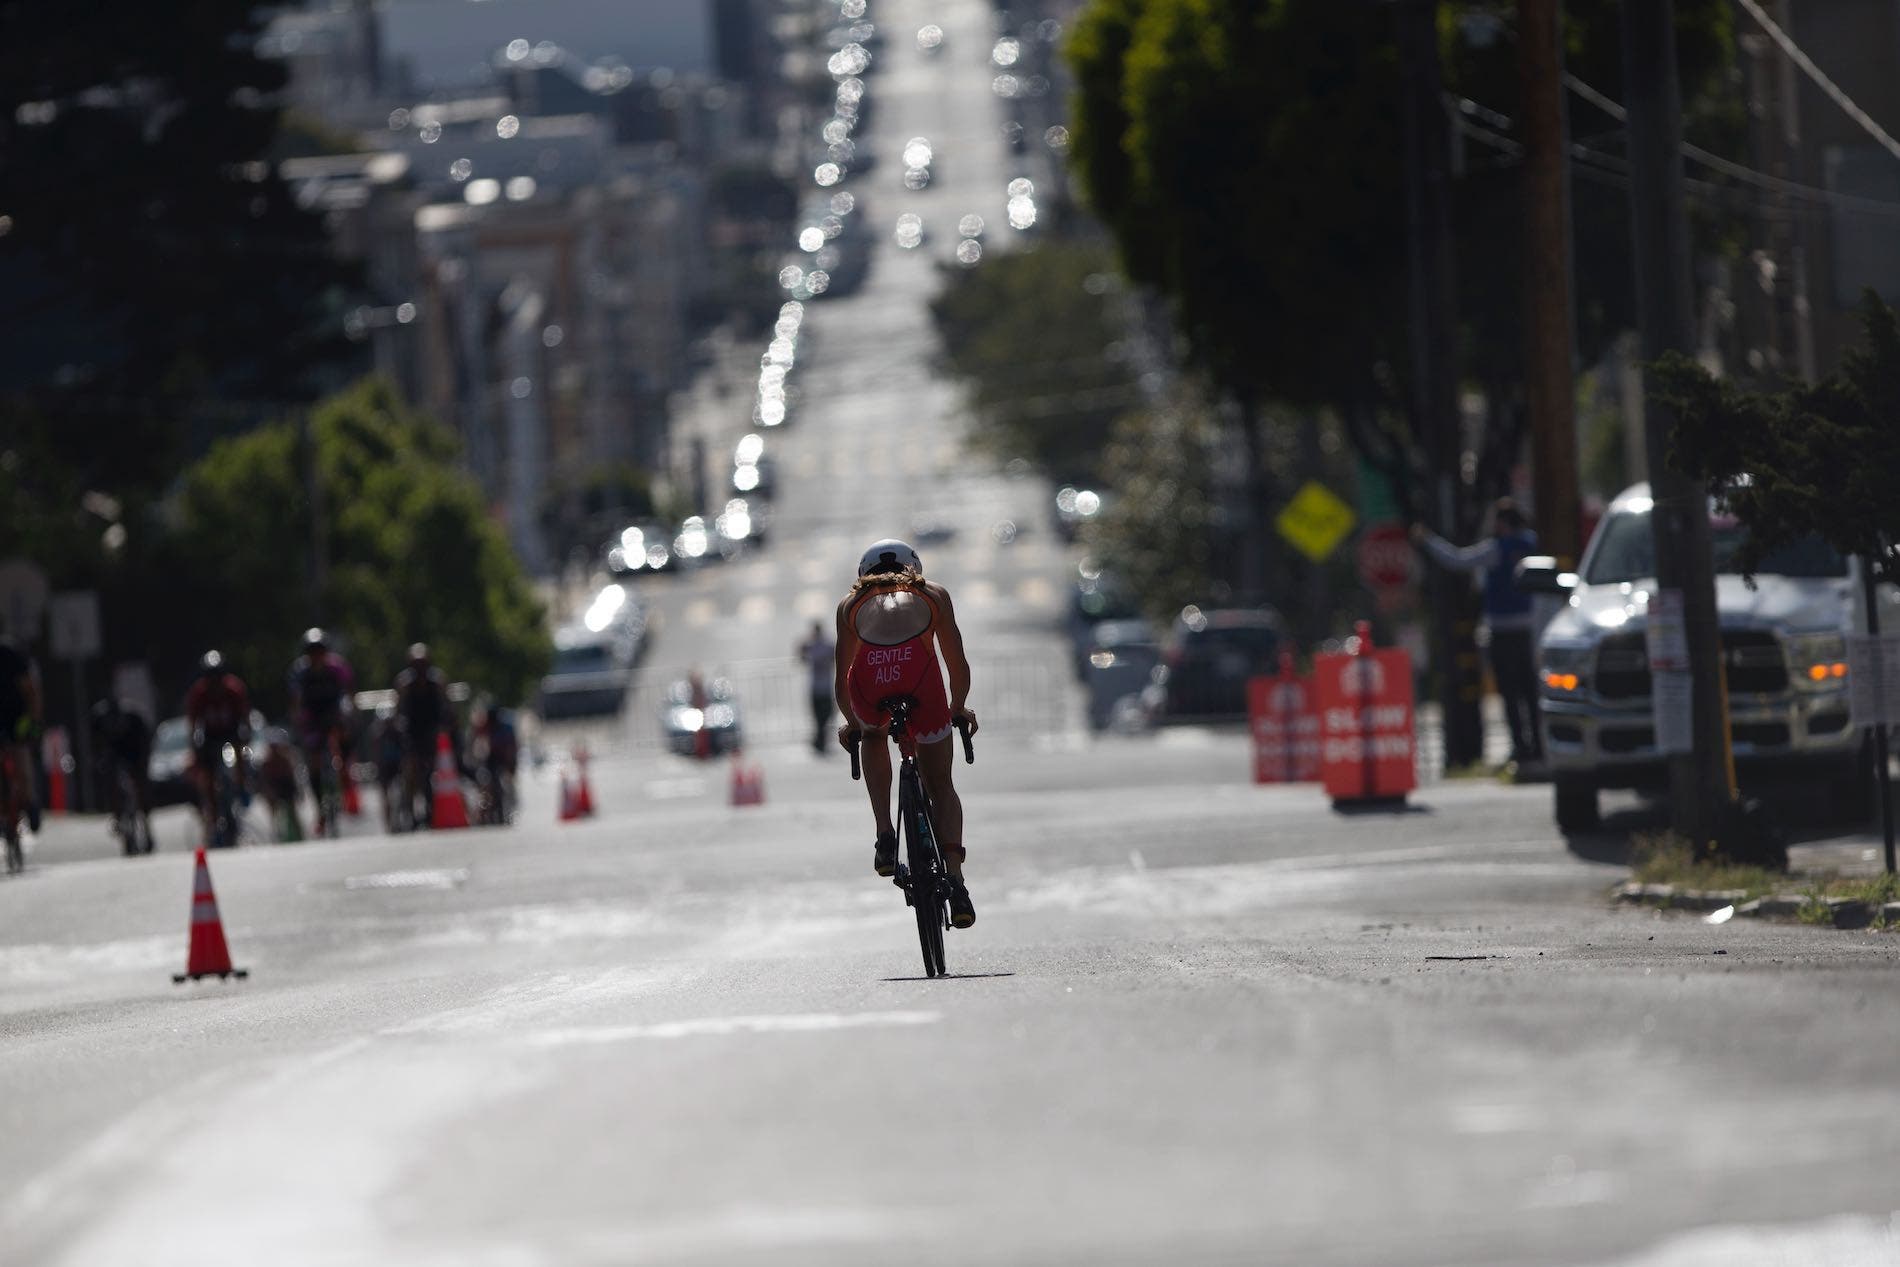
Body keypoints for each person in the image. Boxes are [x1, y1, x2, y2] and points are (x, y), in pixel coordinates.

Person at [834, 539, 979, 928]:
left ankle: (885, 832)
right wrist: (957, 707)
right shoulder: (933, 595)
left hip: (870, 686)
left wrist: (853, 723)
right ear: (914, 568)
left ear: (863, 575)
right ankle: (956, 879)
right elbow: (957, 664)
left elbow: (840, 681)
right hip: (921, 683)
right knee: (941, 786)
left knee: (874, 734)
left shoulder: (849, 606)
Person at [1412, 498, 1544, 766]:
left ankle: (1522, 747)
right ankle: (1539, 745)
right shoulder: (1532, 543)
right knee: (1530, 691)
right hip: (1530, 628)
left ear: (1503, 523)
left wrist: (1428, 540)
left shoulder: (1498, 548)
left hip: (1502, 629)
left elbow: (1458, 560)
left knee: (1509, 692)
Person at [288, 628, 355, 825]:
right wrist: (298, 721)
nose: (316, 657)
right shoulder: (299, 672)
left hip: (333, 713)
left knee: (343, 730)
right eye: (312, 653)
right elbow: (296, 701)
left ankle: (344, 771)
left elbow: (348, 693)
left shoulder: (337, 668)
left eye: (320, 652)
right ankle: (321, 809)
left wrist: (349, 712)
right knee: (314, 762)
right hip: (312, 717)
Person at [183, 651, 252, 839]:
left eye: (218, 678)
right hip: (210, 735)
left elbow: (245, 717)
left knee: (240, 753)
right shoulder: (198, 693)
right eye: (210, 679)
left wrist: (246, 736)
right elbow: (193, 722)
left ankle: (241, 784)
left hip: (230, 731)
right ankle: (212, 813)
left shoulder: (234, 689)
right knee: (208, 772)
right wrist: (194, 746)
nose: (215, 684)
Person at [394, 643, 451, 826]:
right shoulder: (404, 684)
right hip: (412, 731)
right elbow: (398, 711)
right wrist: (399, 727)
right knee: (411, 768)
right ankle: (409, 810)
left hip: (432, 730)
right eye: (416, 665)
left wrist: (445, 727)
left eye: (423, 664)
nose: (420, 670)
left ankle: (432, 807)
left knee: (433, 769)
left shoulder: (438, 681)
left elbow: (446, 707)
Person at [90, 697, 154, 852]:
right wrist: (98, 762)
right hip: (114, 752)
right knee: (110, 781)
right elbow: (96, 746)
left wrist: (141, 769)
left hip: (135, 751)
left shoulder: (134, 721)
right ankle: (117, 815)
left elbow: (145, 747)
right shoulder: (99, 721)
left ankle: (146, 824)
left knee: (140, 785)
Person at [0, 635, 43, 833]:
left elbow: (30, 690)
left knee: (20, 756)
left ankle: (29, 802)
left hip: (16, 717)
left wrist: (33, 720)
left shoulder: (11, 655)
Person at [797, 621, 836, 754]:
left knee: (821, 716)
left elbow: (801, 656)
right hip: (823, 687)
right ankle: (820, 741)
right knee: (823, 716)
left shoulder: (812, 645)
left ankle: (819, 741)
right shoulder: (827, 645)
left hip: (818, 687)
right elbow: (836, 656)